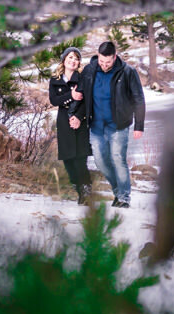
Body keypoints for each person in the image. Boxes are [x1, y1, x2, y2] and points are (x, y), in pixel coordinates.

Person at [75, 40, 146, 208]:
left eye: (108, 62)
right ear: (97, 56)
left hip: (118, 125)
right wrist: (75, 114)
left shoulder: (128, 72)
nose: (104, 65)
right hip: (96, 126)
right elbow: (81, 95)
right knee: (100, 161)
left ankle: (124, 198)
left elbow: (139, 99)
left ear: (115, 57)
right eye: (101, 61)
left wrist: (139, 125)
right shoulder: (89, 70)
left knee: (118, 159)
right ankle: (117, 191)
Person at [47, 47, 93, 204]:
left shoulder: (83, 78)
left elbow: (88, 100)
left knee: (81, 159)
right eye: (71, 57)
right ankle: (78, 187)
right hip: (63, 122)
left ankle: (86, 193)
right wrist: (70, 95)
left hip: (81, 121)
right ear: (64, 59)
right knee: (68, 160)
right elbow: (54, 100)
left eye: (77, 58)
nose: (74, 61)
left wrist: (79, 117)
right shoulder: (55, 80)